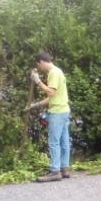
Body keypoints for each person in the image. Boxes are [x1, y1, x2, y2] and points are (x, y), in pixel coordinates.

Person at [29, 52, 71, 182]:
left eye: (39, 65)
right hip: (64, 110)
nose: (40, 68)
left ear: (41, 62)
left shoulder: (53, 73)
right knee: (64, 141)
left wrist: (37, 81)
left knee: (54, 142)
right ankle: (64, 168)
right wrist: (37, 104)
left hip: (57, 112)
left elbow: (50, 91)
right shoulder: (59, 71)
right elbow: (53, 96)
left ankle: (55, 171)